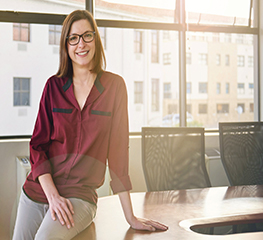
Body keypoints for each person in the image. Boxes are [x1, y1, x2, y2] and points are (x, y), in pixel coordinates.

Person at [12, 9, 168, 240]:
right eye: (73, 38)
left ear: (96, 39)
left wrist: (130, 217)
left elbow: (118, 154)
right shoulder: (53, 87)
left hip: (79, 195)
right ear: (66, 45)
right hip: (38, 191)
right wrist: (53, 196)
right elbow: (38, 145)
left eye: (87, 35)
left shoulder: (115, 87)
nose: (81, 44)